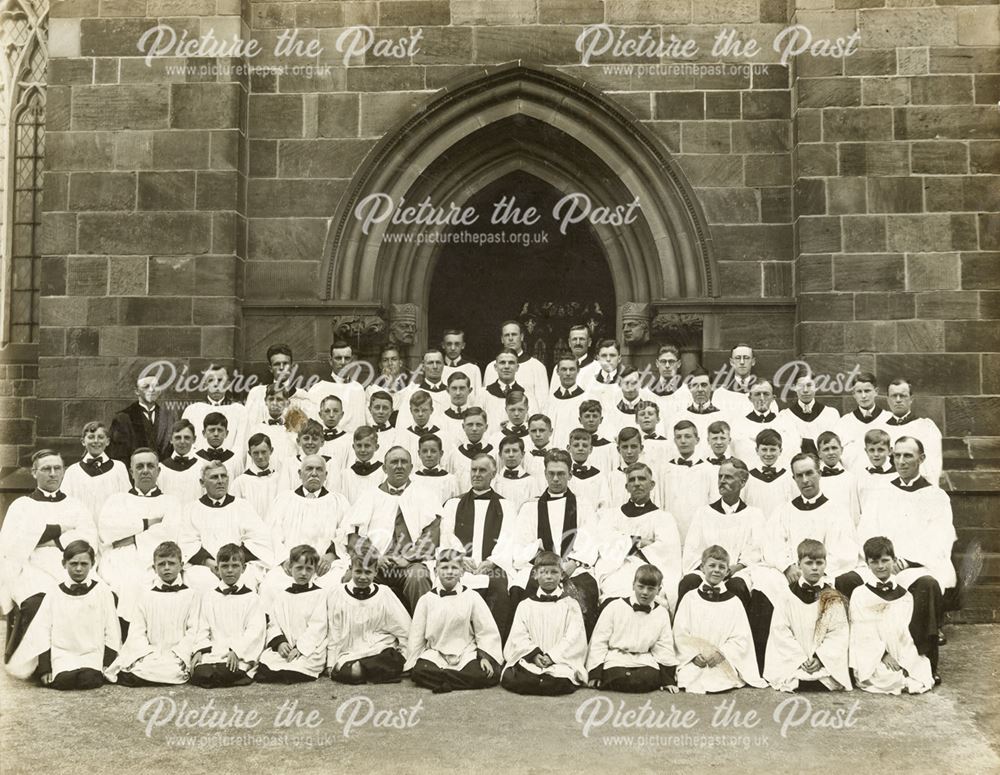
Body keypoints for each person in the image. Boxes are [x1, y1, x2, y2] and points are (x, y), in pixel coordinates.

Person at [841, 436, 954, 679]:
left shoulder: (936, 496)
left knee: (928, 585)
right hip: (879, 564)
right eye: (898, 455)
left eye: (908, 456)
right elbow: (866, 529)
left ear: (921, 459)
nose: (901, 461)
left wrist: (906, 560)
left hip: (913, 566)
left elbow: (940, 539)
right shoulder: (882, 491)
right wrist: (880, 559)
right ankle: (855, 662)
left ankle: (922, 664)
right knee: (846, 581)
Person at [1, 450, 96, 666]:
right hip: (30, 567)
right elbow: (10, 544)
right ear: (34, 473)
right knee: (37, 601)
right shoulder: (21, 506)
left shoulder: (76, 505)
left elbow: (88, 539)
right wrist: (60, 529)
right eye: (46, 469)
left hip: (71, 565)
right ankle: (42, 663)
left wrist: (43, 536)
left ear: (63, 472)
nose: (52, 474)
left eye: (57, 468)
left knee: (101, 595)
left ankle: (83, 658)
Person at [96, 448, 192, 627]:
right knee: (125, 582)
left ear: (158, 471)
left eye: (150, 466)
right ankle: (124, 635)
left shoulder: (171, 501)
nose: (145, 470)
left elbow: (170, 533)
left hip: (156, 557)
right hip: (119, 558)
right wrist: (148, 524)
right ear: (131, 472)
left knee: (148, 581)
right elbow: (108, 530)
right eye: (139, 466)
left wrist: (130, 537)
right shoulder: (117, 499)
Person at [510, 450, 601, 633]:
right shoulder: (530, 508)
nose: (556, 479)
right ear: (545, 474)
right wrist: (537, 548)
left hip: (573, 568)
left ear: (570, 475)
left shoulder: (583, 505)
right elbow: (519, 545)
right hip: (539, 567)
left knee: (585, 591)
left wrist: (573, 564)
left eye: (561, 474)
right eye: (551, 474)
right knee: (519, 591)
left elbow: (591, 540)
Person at [341, 447, 440, 613]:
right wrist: (374, 557)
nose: (399, 466)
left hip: (410, 564)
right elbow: (353, 535)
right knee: (353, 578)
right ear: (384, 468)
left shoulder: (425, 495)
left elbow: (433, 531)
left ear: (411, 467)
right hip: (376, 563)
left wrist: (408, 558)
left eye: (404, 462)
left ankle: (421, 632)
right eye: (394, 462)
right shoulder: (370, 496)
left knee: (419, 577)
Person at [9, 540, 119, 689]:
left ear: (92, 564)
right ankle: (63, 672)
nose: (79, 569)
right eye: (73, 564)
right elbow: (42, 631)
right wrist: (45, 667)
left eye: (84, 564)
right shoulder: (54, 593)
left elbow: (112, 630)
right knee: (63, 681)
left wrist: (107, 662)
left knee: (90, 680)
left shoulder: (103, 592)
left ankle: (91, 671)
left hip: (93, 653)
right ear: (64, 563)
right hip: (63, 654)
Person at [439, 454, 520, 639]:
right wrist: (459, 558)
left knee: (499, 586)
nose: (476, 474)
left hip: (492, 567)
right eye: (473, 470)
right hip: (461, 565)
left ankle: (492, 648)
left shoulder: (505, 505)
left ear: (493, 474)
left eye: (482, 470)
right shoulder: (454, 504)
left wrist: (491, 562)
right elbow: (447, 535)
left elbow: (509, 537)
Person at [405, 549, 503, 693]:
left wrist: (484, 657)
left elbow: (486, 630)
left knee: (483, 673)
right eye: (444, 568)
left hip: (465, 653)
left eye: (454, 568)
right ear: (436, 571)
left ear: (462, 572)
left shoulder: (472, 597)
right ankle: (457, 680)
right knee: (419, 672)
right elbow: (417, 634)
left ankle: (443, 681)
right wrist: (414, 661)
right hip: (436, 653)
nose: (449, 572)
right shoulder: (426, 600)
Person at [673, 545, 767, 694]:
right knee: (689, 677)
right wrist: (693, 655)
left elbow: (741, 637)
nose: (716, 570)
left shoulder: (734, 602)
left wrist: (721, 654)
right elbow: (680, 632)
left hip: (722, 662)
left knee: (722, 679)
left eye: (721, 567)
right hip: (695, 662)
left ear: (727, 571)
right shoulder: (690, 598)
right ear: (702, 568)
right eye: (711, 565)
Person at [107, 541, 200, 686]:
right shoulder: (146, 596)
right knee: (144, 667)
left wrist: (180, 654)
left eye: (171, 563)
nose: (167, 568)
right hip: (151, 653)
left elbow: (193, 630)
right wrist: (146, 653)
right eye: (161, 564)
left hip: (176, 655)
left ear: (181, 565)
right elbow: (137, 631)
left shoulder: (191, 595)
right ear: (154, 568)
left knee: (172, 670)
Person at [763, 539, 851, 693]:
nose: (815, 568)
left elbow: (838, 633)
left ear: (826, 564)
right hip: (793, 661)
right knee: (791, 679)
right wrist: (800, 659)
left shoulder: (832, 597)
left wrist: (819, 658)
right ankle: (799, 671)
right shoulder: (786, 594)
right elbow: (781, 631)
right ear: (798, 564)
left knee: (826, 679)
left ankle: (818, 670)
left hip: (822, 661)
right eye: (809, 563)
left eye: (819, 563)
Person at [849, 536, 934, 695]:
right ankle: (897, 676)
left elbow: (905, 632)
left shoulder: (905, 595)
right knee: (885, 677)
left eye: (885, 560)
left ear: (894, 560)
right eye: (874, 562)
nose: (880, 566)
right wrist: (884, 655)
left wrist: (905, 659)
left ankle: (905, 673)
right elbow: (862, 631)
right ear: (867, 563)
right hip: (874, 653)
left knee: (921, 671)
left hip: (900, 649)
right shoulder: (860, 594)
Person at [595, 462, 682, 611]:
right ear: (626, 487)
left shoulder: (663, 517)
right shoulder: (612, 515)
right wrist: (638, 541)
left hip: (649, 568)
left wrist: (624, 543)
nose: (636, 484)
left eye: (642, 479)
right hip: (617, 568)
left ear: (652, 484)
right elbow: (604, 540)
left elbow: (667, 549)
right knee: (616, 598)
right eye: (632, 480)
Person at [681, 459, 768, 607]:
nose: (722, 481)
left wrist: (736, 568)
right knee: (689, 582)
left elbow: (755, 551)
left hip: (738, 571)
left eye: (728, 477)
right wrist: (709, 569)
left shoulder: (754, 515)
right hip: (706, 570)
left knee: (737, 586)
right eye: (720, 476)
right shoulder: (704, 513)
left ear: (742, 482)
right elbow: (693, 550)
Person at [500, 551, 587, 695]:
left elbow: (573, 637)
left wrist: (552, 657)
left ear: (562, 575)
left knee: (559, 679)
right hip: (532, 660)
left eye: (554, 572)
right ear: (535, 574)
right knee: (517, 676)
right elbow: (518, 635)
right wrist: (534, 655)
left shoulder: (570, 605)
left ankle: (543, 680)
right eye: (544, 572)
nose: (548, 576)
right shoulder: (525, 605)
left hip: (560, 661)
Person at [262, 455, 350, 597]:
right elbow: (273, 533)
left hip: (324, 566)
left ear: (326, 475)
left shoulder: (338, 501)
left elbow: (345, 534)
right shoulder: (284, 500)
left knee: (334, 587)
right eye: (309, 469)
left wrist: (331, 556)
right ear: (299, 474)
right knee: (271, 586)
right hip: (290, 564)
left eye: (319, 469)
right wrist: (286, 559)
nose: (314, 473)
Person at [326, 539, 411, 684]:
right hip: (350, 651)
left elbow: (404, 627)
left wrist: (406, 654)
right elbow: (335, 630)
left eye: (368, 572)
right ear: (350, 569)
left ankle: (366, 670)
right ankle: (370, 671)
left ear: (376, 572)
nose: (363, 577)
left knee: (393, 658)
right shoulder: (338, 593)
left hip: (379, 647)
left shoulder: (384, 593)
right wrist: (331, 662)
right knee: (346, 669)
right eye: (358, 571)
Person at [180, 461, 276, 590]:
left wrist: (233, 563)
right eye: (214, 477)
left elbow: (258, 538)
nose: (220, 481)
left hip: (239, 564)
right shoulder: (191, 509)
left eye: (223, 476)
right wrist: (211, 564)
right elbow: (188, 542)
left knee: (247, 580)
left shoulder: (243, 506)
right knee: (200, 580)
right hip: (206, 566)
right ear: (202, 483)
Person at [764, 453, 859, 581]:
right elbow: (772, 544)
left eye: (809, 473)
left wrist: (814, 571)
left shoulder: (837, 512)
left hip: (825, 576)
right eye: (799, 475)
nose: (805, 480)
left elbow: (844, 552)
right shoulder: (784, 511)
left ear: (819, 474)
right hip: (791, 576)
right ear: (794, 478)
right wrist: (787, 567)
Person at [586, 564, 679, 693]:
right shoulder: (615, 607)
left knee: (646, 678)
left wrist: (667, 679)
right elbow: (599, 640)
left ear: (659, 589)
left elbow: (664, 646)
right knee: (618, 676)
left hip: (644, 659)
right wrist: (595, 673)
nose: (645, 593)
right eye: (641, 587)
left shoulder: (661, 613)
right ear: (633, 585)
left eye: (651, 588)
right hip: (616, 657)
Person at [190, 543, 266, 688]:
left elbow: (255, 631)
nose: (230, 571)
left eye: (235, 566)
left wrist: (237, 651)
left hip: (239, 652)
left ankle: (229, 673)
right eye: (225, 566)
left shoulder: (252, 598)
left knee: (228, 670)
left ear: (243, 568)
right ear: (217, 569)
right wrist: (200, 650)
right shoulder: (210, 596)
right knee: (200, 672)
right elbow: (202, 626)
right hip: (214, 651)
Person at [256, 545, 329, 683]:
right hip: (287, 646)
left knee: (299, 667)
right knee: (266, 664)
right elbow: (274, 623)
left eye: (309, 569)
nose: (303, 573)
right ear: (290, 568)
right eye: (299, 568)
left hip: (308, 648)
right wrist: (280, 643)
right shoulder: (282, 596)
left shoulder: (320, 595)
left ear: (314, 571)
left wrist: (300, 648)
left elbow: (318, 627)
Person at [61, 421, 130, 521]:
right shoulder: (72, 471)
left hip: (111, 528)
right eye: (91, 437)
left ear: (108, 441)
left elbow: (126, 502)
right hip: (82, 529)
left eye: (101, 437)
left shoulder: (118, 468)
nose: (96, 441)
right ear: (83, 441)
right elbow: (66, 505)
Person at [182, 365, 246, 468]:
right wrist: (201, 463)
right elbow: (187, 443)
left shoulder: (239, 410)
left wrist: (230, 464)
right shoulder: (192, 410)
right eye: (211, 380)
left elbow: (241, 444)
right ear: (204, 384)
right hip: (198, 466)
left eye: (220, 380)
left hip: (231, 466)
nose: (216, 384)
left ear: (228, 384)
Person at [661, 420, 715, 541]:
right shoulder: (665, 469)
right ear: (674, 440)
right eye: (678, 437)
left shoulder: (708, 469)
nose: (683, 441)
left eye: (688, 436)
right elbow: (660, 502)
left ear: (697, 440)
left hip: (700, 530)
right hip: (672, 529)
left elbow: (713, 503)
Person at [883, 378, 943, 484]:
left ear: (911, 399)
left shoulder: (926, 427)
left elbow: (932, 464)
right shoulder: (881, 428)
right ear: (888, 400)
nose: (898, 400)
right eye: (893, 396)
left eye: (903, 396)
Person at [482, 321, 549, 414]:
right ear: (502, 339)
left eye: (514, 335)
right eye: (506, 335)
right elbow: (486, 401)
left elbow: (543, 404)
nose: (510, 338)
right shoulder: (491, 367)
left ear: (521, 337)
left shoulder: (537, 367)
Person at [731, 380, 799, 469]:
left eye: (766, 394)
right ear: (750, 398)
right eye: (757, 394)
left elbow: (792, 451)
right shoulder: (739, 425)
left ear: (773, 398)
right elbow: (735, 454)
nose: (762, 398)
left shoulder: (785, 423)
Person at [109, 373, 176, 463]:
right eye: (146, 387)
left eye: (155, 386)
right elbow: (118, 456)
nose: (151, 390)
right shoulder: (123, 418)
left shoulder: (168, 418)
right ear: (136, 391)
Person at [245, 343, 311, 427]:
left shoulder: (302, 396)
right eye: (277, 364)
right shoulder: (257, 393)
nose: (281, 367)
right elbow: (248, 425)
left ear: (292, 366)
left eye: (285, 363)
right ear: (270, 368)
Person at [835, 371, 890, 472]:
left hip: (884, 480)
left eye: (867, 391)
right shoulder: (844, 422)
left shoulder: (888, 419)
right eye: (859, 392)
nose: (863, 396)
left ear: (876, 391)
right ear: (853, 394)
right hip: (854, 480)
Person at [306, 340, 367, 431]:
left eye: (347, 358)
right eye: (338, 358)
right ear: (331, 361)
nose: (343, 362)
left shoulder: (358, 389)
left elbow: (361, 422)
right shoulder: (318, 389)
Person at [777, 369, 840, 455]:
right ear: (794, 387)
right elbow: (788, 446)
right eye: (800, 386)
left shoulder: (830, 414)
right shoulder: (785, 416)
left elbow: (834, 445)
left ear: (816, 386)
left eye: (809, 385)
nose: (805, 390)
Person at [231, 433, 289, 521]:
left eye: (264, 452)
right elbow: (235, 512)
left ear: (271, 451)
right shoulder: (240, 482)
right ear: (250, 454)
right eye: (256, 453)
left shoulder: (280, 479)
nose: (260, 457)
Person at [743, 429, 796, 522]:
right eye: (764, 449)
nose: (768, 454)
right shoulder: (748, 477)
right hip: (755, 527)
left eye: (773, 450)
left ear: (780, 451)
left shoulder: (788, 477)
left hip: (780, 527)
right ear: (757, 450)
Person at [444, 407, 495, 494]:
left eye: (479, 424)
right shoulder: (455, 454)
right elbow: (449, 484)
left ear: (486, 427)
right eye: (470, 424)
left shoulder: (494, 453)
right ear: (463, 427)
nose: (474, 429)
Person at [816, 431, 861, 526]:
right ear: (819, 453)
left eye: (834, 448)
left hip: (845, 529)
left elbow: (855, 512)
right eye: (826, 449)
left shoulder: (851, 479)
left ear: (841, 450)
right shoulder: (815, 479)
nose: (831, 452)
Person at [157, 419, 204, 503]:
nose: (182, 442)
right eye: (178, 437)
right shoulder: (161, 469)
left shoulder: (202, 467)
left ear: (194, 439)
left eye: (187, 437)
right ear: (171, 439)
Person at [713, 344, 768, 415]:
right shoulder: (721, 394)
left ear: (753, 361)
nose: (742, 362)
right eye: (738, 358)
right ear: (731, 362)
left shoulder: (764, 392)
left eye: (746, 358)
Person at [565, 428, 612, 509]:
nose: (580, 448)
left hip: (593, 520)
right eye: (576, 445)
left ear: (590, 449)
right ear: (569, 448)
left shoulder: (599, 477)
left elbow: (604, 505)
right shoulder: (563, 474)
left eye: (585, 445)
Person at [482, 349, 532, 425]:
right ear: (496, 367)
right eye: (502, 362)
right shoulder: (483, 394)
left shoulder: (527, 394)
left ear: (517, 367)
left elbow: (532, 423)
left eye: (511, 363)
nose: (506, 366)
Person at [397, 349, 451, 418]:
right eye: (430, 363)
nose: (435, 367)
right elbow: (404, 422)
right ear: (423, 366)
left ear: (443, 365)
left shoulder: (451, 394)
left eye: (438, 362)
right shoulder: (412, 393)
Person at [338, 426, 385, 505]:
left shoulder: (383, 472)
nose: (363, 450)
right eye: (359, 446)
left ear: (376, 447)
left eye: (367, 446)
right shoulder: (346, 474)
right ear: (353, 447)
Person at [548, 357, 588, 448]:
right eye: (564, 369)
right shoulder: (551, 399)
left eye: (572, 369)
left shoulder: (584, 399)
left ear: (578, 371)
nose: (568, 373)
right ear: (557, 371)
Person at [548, 323, 600, 392]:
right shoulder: (559, 368)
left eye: (582, 339)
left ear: (589, 342)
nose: (578, 343)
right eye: (574, 339)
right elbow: (553, 396)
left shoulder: (598, 368)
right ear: (569, 343)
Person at [395, 390, 444, 461]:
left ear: (431, 410)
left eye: (424, 410)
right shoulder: (403, 436)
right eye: (416, 410)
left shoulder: (441, 435)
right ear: (411, 411)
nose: (420, 414)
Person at [412, 434, 460, 505]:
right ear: (419, 454)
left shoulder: (450, 480)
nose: (429, 455)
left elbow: (455, 505)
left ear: (441, 453)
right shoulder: (412, 479)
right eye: (425, 451)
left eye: (433, 451)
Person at [194, 412, 241, 482]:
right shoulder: (196, 458)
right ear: (204, 433)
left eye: (220, 430)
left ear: (226, 433)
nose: (216, 434)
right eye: (212, 430)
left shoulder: (234, 459)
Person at [493, 435, 536, 511]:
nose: (511, 455)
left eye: (515, 451)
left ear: (522, 454)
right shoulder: (494, 480)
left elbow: (533, 507)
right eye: (507, 451)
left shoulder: (530, 481)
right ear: (500, 455)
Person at [648, 344, 691, 418]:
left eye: (671, 362)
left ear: (678, 364)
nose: (667, 366)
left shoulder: (687, 392)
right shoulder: (648, 392)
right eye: (663, 361)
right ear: (657, 364)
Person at [856, 428, 896, 507]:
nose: (876, 454)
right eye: (871, 450)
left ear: (890, 451)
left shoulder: (896, 474)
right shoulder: (860, 476)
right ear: (866, 451)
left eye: (880, 450)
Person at [441, 329, 483, 400]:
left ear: (463, 345)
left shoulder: (473, 369)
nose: (453, 348)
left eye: (457, 344)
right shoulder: (437, 368)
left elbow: (478, 397)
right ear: (443, 345)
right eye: (449, 344)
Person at [317, 395, 354, 470]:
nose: (331, 415)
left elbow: (349, 468)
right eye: (327, 411)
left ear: (341, 415)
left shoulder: (349, 440)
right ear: (320, 415)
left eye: (335, 411)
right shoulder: (313, 439)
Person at [439, 372, 474, 448]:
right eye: (454, 388)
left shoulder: (476, 418)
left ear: (470, 390)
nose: (458, 393)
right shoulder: (440, 419)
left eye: (462, 388)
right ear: (448, 390)